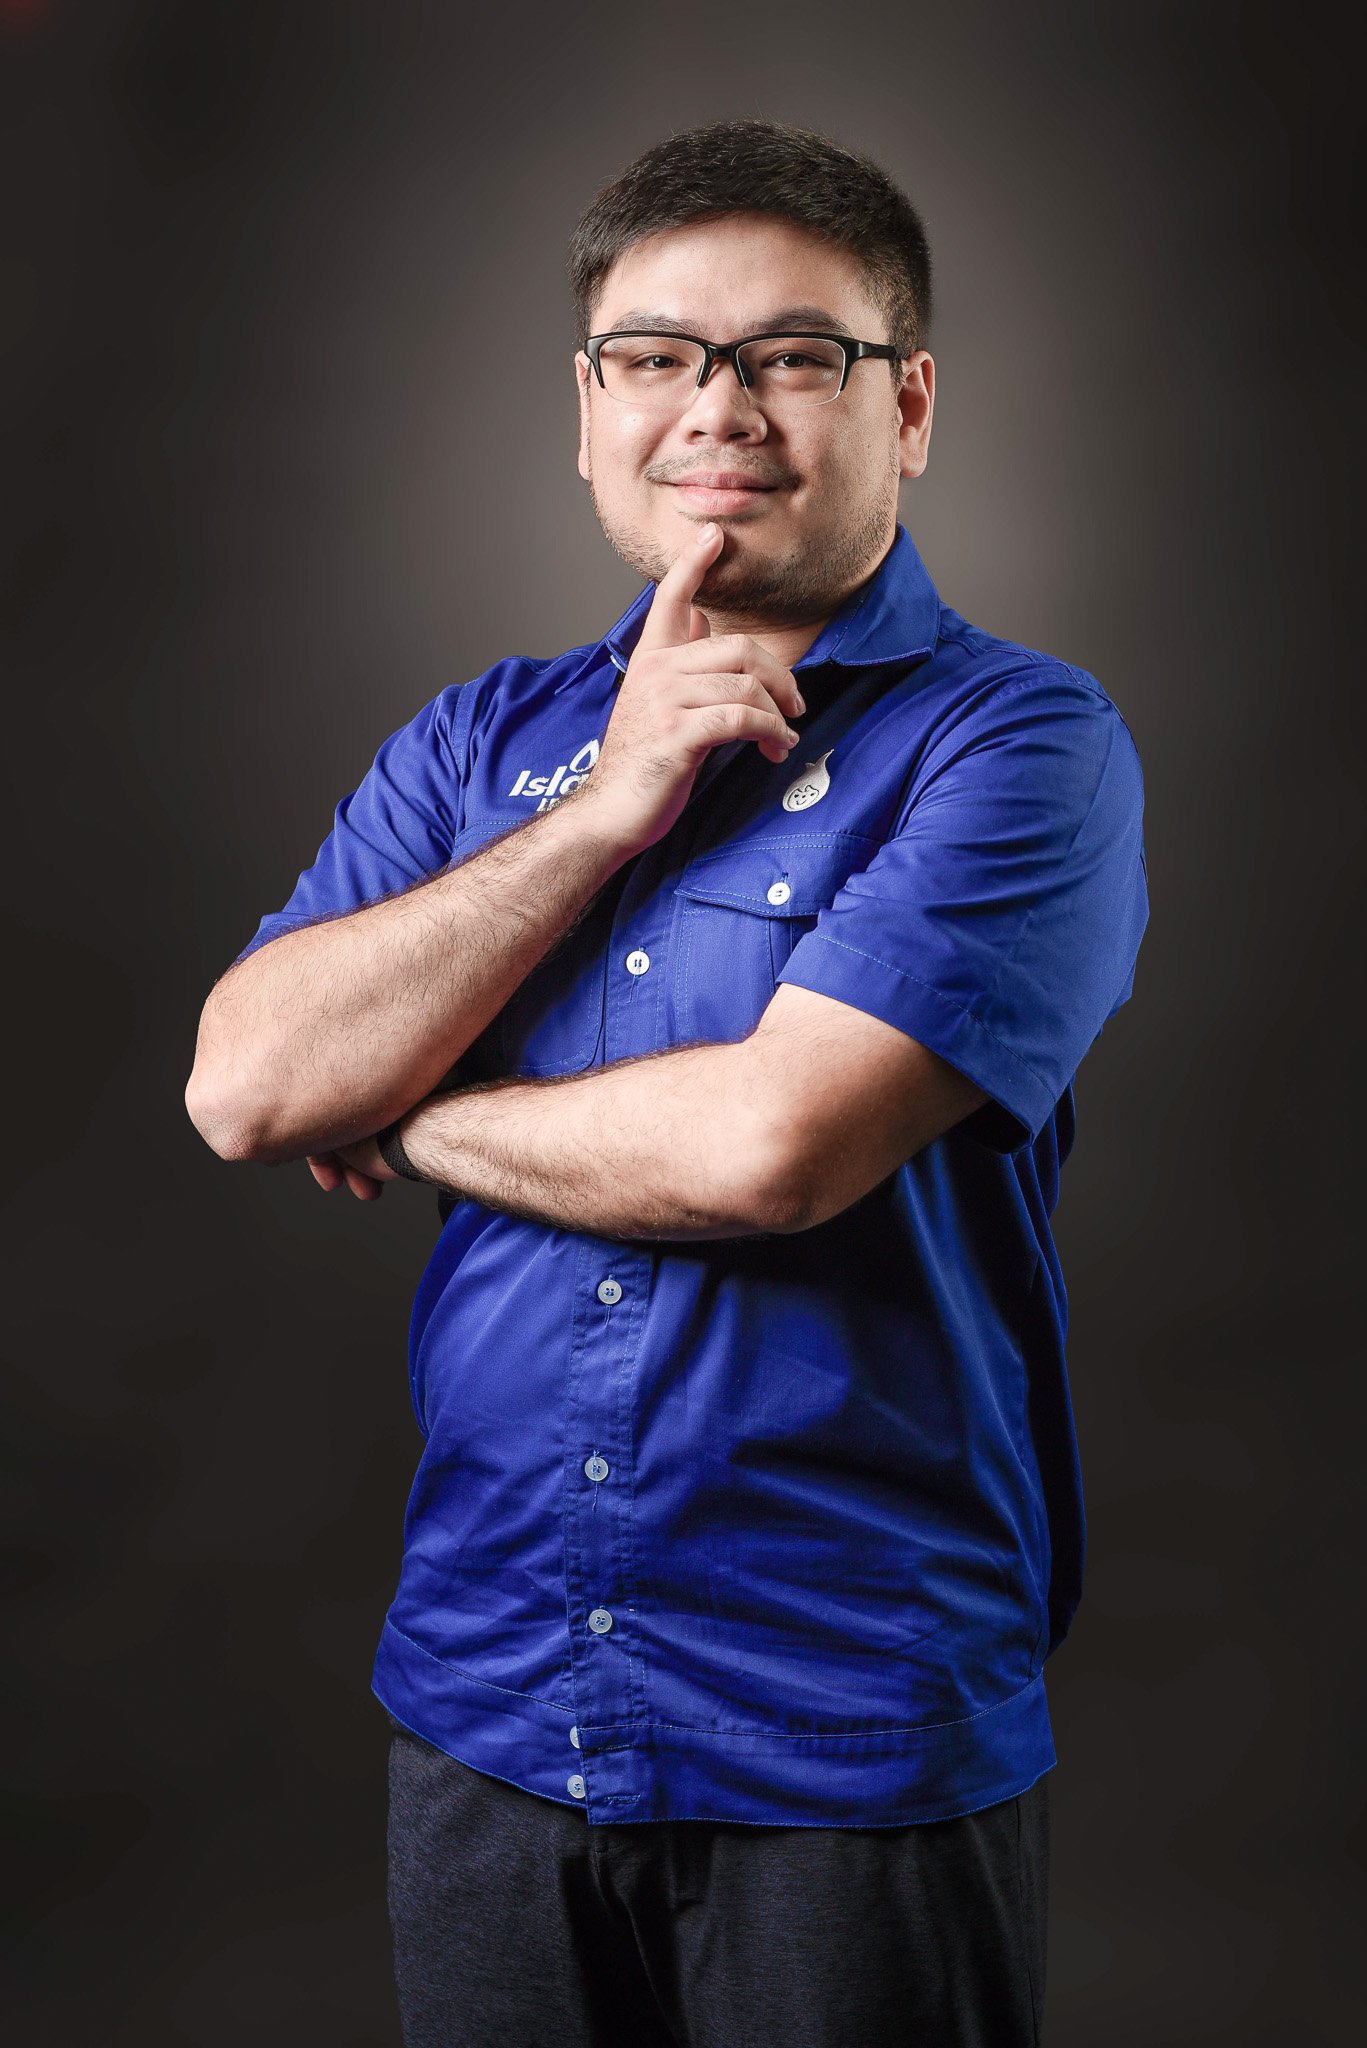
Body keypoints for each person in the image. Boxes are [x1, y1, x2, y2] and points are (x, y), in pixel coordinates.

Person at [187, 116, 1149, 2048]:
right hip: (488, 1705)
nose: (721, 407)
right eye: (658, 356)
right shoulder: (486, 744)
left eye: (796, 356)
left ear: (913, 402)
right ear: (590, 405)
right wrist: (607, 813)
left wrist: (412, 1109)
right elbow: (241, 1082)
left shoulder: (1022, 749)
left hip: (844, 1736)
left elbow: (770, 1149)